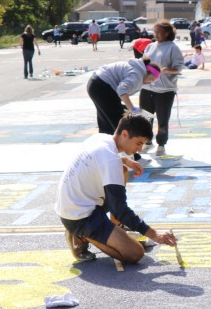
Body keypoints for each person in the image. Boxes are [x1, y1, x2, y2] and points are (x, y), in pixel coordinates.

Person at [55, 113, 178, 264]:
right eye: (138, 143)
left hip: (72, 205)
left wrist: (124, 160)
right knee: (135, 253)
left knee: (123, 169)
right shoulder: (110, 159)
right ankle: (81, 235)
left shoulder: (101, 139)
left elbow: (100, 162)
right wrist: (154, 234)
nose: (139, 150)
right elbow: (120, 209)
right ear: (125, 134)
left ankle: (113, 226)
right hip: (79, 217)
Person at [139, 19, 184, 157]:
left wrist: (165, 70)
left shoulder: (172, 47)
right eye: (155, 31)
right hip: (147, 89)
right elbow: (144, 63)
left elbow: (179, 66)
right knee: (145, 118)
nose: (156, 34)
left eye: (159, 32)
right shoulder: (150, 46)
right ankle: (147, 142)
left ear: (166, 33)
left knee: (163, 119)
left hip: (165, 91)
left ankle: (161, 144)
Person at [86, 57, 161, 139]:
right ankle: (128, 149)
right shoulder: (137, 76)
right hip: (102, 87)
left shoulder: (137, 68)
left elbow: (120, 93)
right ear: (146, 72)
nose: (148, 83)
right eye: (150, 79)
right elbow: (122, 90)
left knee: (106, 122)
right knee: (119, 124)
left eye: (152, 82)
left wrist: (127, 108)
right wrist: (132, 109)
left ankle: (105, 145)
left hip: (96, 84)